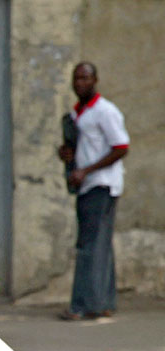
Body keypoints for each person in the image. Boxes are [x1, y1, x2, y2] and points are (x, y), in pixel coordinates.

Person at [56, 62, 128, 321]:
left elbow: (121, 147)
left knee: (89, 245)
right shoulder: (78, 113)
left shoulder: (105, 111)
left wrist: (86, 170)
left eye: (85, 78)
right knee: (99, 245)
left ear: (95, 79)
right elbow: (83, 146)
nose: (80, 83)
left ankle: (82, 305)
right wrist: (68, 155)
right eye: (76, 78)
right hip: (87, 184)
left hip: (101, 183)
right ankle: (102, 303)